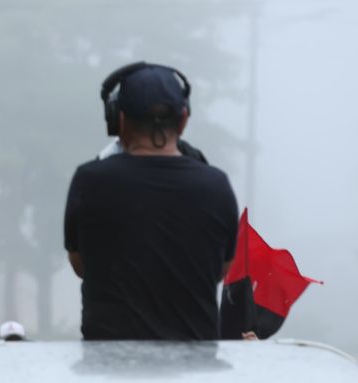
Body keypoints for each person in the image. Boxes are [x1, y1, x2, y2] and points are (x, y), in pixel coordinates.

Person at [64, 64, 240, 341]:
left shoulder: (89, 181)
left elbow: (80, 265)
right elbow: (221, 270)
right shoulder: (217, 185)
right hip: (196, 364)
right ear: (183, 119)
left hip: (107, 363)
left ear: (119, 119)